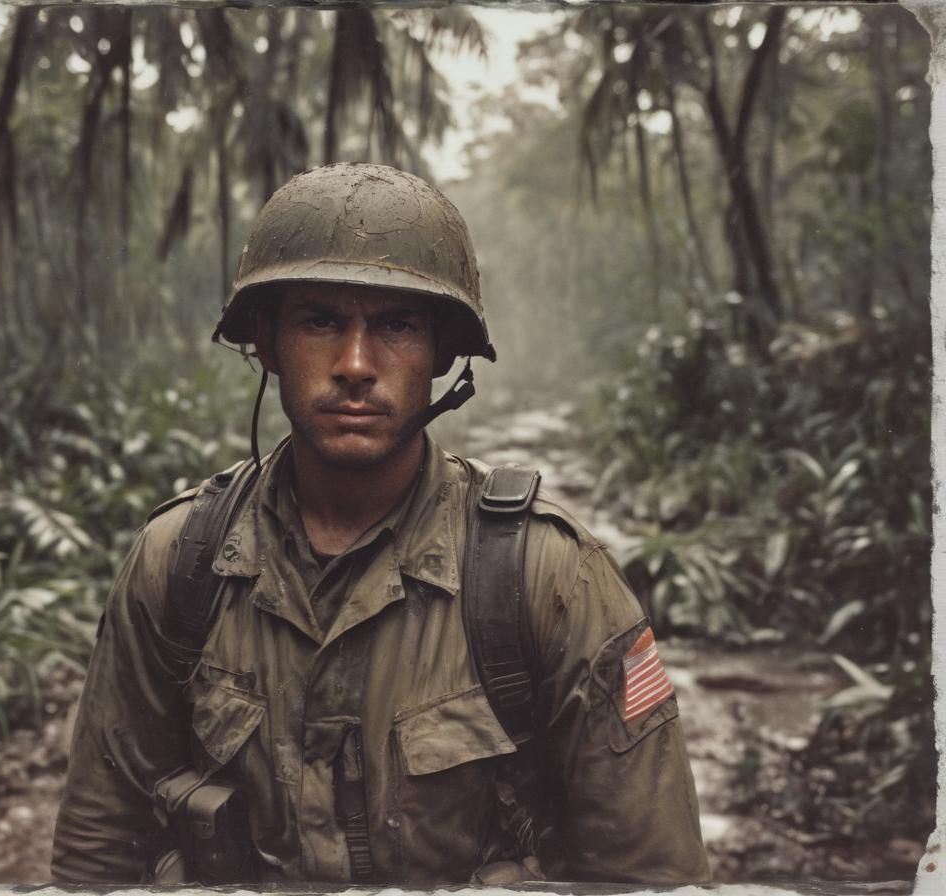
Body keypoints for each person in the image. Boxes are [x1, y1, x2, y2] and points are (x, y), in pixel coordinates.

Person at [50, 163, 711, 886]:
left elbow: (651, 873)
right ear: (266, 343)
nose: (356, 364)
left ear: (441, 356)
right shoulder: (180, 563)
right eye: (319, 321)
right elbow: (98, 852)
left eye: (396, 325)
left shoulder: (546, 576)